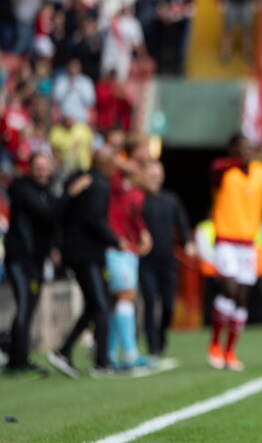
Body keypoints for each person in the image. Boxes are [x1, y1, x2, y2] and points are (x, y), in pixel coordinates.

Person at [4, 155, 90, 377]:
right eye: (38, 167)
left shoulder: (44, 192)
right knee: (24, 307)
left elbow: (55, 219)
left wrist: (54, 247)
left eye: (46, 167)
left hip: (35, 261)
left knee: (28, 307)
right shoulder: (23, 190)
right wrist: (71, 193)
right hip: (20, 260)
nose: (43, 172)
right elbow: (48, 214)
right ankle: (17, 361)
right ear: (30, 169)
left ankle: (18, 357)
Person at [48, 147, 125, 378]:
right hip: (87, 254)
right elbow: (94, 219)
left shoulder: (83, 180)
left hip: (78, 252)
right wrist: (115, 240)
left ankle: (64, 351)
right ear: (107, 165)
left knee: (94, 306)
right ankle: (102, 362)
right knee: (100, 305)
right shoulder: (99, 185)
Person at [207, 134, 262, 371]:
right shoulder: (224, 170)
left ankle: (230, 351)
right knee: (229, 288)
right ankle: (215, 344)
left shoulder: (261, 171)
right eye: (241, 147)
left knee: (242, 297)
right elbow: (215, 171)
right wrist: (244, 159)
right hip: (226, 239)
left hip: (248, 243)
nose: (245, 151)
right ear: (232, 148)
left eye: (248, 148)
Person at [105, 136, 153, 369]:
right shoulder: (117, 173)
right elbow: (109, 160)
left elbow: (135, 210)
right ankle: (130, 354)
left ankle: (110, 354)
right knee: (126, 296)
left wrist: (143, 231)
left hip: (131, 244)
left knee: (120, 299)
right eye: (145, 148)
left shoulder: (135, 176)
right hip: (117, 244)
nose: (148, 153)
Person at [141, 160, 195, 356]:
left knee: (168, 304)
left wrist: (187, 242)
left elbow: (182, 222)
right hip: (145, 261)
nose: (155, 177)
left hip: (167, 260)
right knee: (149, 301)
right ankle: (152, 346)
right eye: (151, 174)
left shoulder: (171, 199)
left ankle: (161, 335)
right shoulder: (140, 199)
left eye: (158, 174)